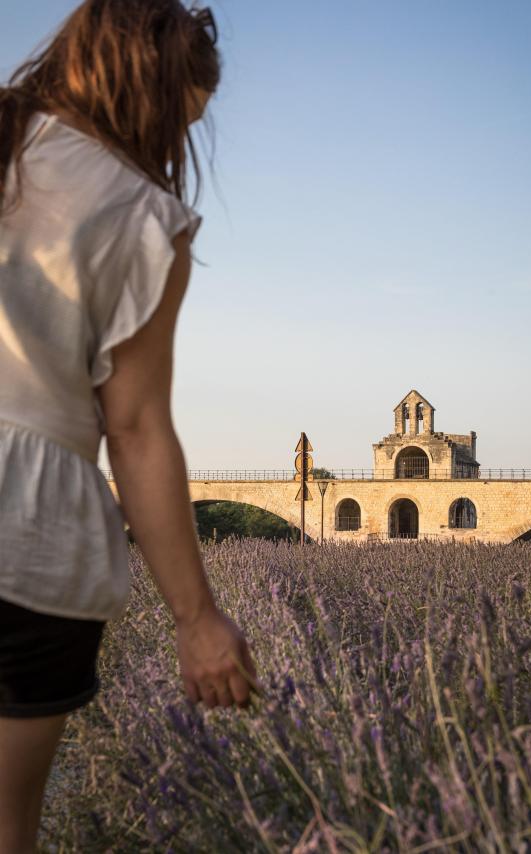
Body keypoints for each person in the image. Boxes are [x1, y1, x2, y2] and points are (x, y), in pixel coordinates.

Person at [0, 2, 257, 850]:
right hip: (29, 535)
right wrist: (196, 619)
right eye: (180, 120)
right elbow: (138, 429)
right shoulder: (146, 219)